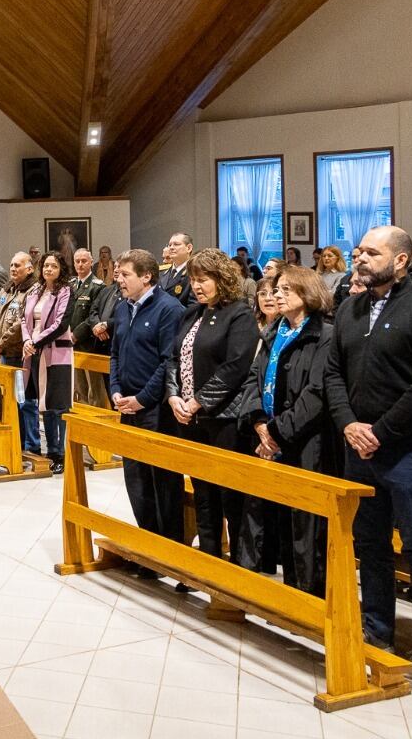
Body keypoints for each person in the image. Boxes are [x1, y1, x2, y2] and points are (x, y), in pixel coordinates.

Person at [324, 226, 412, 690]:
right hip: (359, 446)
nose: (360, 258)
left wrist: (379, 432)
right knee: (370, 544)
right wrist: (347, 424)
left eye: (371, 252)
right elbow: (333, 372)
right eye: (358, 251)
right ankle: (376, 629)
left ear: (401, 261)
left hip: (409, 448)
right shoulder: (350, 307)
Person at [242, 265, 336, 595]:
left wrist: (276, 433)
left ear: (307, 293)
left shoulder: (323, 334)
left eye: (285, 290)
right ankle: (290, 594)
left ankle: (310, 596)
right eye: (276, 290)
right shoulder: (275, 331)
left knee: (306, 523)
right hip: (271, 435)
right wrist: (258, 423)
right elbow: (255, 378)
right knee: (282, 517)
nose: (277, 295)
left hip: (307, 439)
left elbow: (315, 393)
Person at [166, 248, 258, 566]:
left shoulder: (240, 314)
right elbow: (173, 358)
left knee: (230, 496)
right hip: (190, 417)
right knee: (203, 493)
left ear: (222, 279)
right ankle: (208, 559)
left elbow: (236, 366)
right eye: (193, 280)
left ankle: (240, 567)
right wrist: (174, 396)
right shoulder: (192, 313)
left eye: (203, 280)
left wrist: (198, 401)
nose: (196, 286)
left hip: (224, 419)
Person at [109, 249, 186, 564]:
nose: (119, 280)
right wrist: (115, 390)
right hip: (127, 405)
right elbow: (115, 353)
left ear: (146, 276)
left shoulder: (169, 309)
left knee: (162, 482)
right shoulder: (123, 306)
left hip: (155, 410)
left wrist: (142, 398)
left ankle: (170, 552)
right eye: (118, 274)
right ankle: (148, 546)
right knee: (135, 479)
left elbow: (170, 362)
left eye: (125, 274)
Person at [22, 253, 73, 473]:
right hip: (33, 351)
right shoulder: (35, 290)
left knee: (57, 405)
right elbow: (24, 318)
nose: (48, 269)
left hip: (56, 354)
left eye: (53, 266)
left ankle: (59, 453)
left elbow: (61, 324)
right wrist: (26, 340)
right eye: (45, 265)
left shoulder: (65, 291)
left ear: (61, 268)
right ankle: (49, 450)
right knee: (42, 404)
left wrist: (36, 340)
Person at [0, 252, 31, 427]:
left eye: (17, 265)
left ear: (29, 269)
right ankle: (15, 437)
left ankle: (30, 444)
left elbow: (22, 323)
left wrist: (1, 342)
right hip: (3, 351)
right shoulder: (6, 289)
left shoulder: (31, 291)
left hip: (19, 353)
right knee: (9, 399)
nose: (13, 268)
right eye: (11, 265)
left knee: (23, 400)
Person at [68, 248, 107, 405]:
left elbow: (93, 315)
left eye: (84, 261)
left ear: (91, 262)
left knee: (94, 391)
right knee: (78, 388)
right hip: (70, 343)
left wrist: (76, 335)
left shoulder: (98, 286)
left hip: (88, 343)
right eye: (77, 261)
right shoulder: (70, 285)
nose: (80, 264)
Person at [158, 233, 196, 306]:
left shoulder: (194, 273)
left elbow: (193, 307)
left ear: (189, 248)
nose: (171, 247)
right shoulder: (162, 272)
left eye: (176, 244)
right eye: (170, 245)